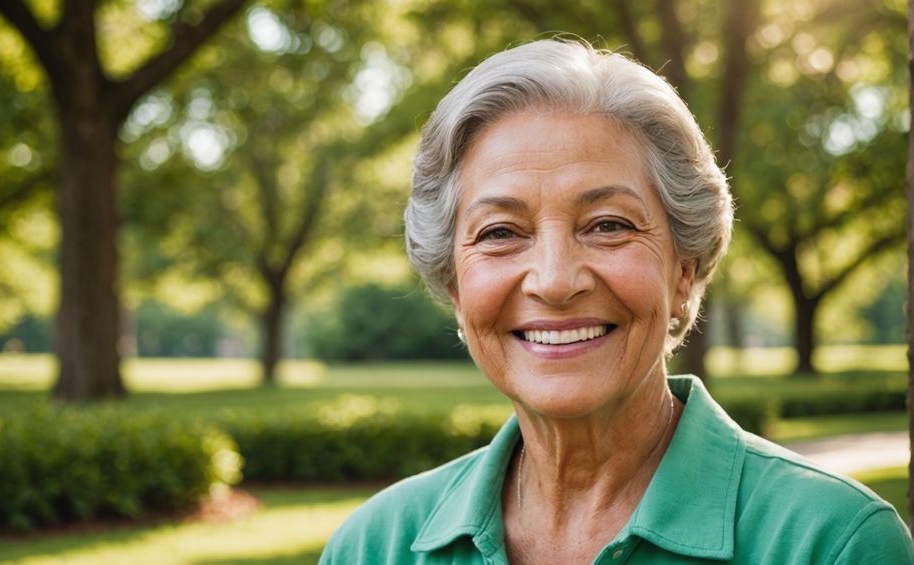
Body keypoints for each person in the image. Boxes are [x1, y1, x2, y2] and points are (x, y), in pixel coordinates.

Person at [319, 39, 914, 564]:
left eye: (607, 225)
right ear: (454, 285)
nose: (553, 281)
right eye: (500, 232)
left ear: (684, 271)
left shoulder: (830, 544)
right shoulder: (374, 547)